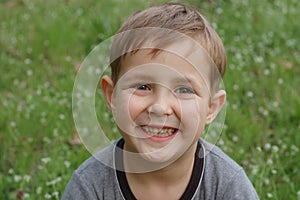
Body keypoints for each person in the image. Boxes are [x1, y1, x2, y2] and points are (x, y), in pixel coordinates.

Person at [63, 2, 259, 199]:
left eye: (184, 90)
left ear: (211, 108)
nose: (160, 107)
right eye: (142, 87)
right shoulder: (89, 186)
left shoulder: (227, 186)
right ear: (112, 96)